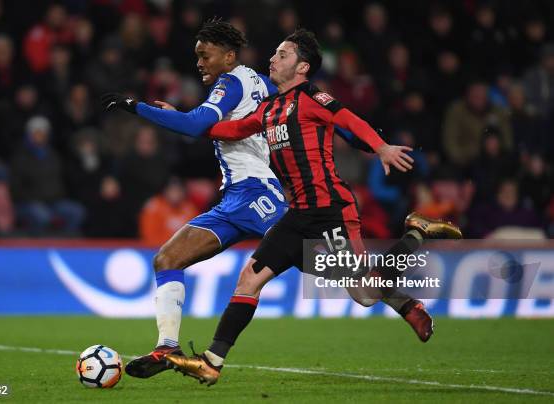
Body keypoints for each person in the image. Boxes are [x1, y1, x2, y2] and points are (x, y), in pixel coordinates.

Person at [166, 29, 461, 386]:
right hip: (298, 214)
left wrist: (381, 147)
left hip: (331, 211)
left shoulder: (312, 98)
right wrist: (183, 121)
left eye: (283, 54)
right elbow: (233, 129)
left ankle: (416, 233)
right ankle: (212, 361)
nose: (273, 59)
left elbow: (348, 120)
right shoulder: (270, 108)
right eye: (275, 53)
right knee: (250, 278)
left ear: (302, 67)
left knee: (364, 293)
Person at [101, 19, 288, 379]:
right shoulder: (260, 82)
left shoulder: (230, 81)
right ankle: (167, 346)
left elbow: (193, 127)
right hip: (235, 198)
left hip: (258, 194)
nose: (199, 63)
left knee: (324, 264)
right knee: (168, 257)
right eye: (196, 56)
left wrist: (134, 106)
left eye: (206, 55)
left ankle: (403, 303)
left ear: (229, 56)